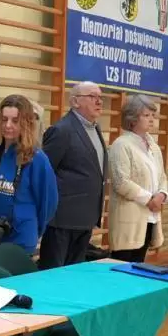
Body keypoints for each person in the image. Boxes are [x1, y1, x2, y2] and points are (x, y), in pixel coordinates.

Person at [0, 94, 59, 276]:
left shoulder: (37, 159)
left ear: (26, 123)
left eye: (15, 121)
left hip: (19, 238)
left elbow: (48, 204)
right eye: (4, 119)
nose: (8, 125)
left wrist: (30, 227)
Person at [39, 81, 108, 269]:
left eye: (100, 97)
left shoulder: (94, 128)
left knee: (74, 273)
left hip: (85, 219)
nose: (99, 101)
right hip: (61, 220)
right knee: (53, 274)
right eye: (92, 96)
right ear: (75, 101)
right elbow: (44, 173)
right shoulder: (62, 130)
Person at [108, 94, 168, 262]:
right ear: (132, 118)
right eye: (146, 115)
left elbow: (162, 176)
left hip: (150, 217)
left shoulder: (153, 146)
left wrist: (161, 195)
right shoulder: (121, 144)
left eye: (153, 115)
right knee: (122, 267)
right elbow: (121, 181)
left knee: (138, 266)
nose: (151, 119)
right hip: (129, 218)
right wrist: (149, 199)